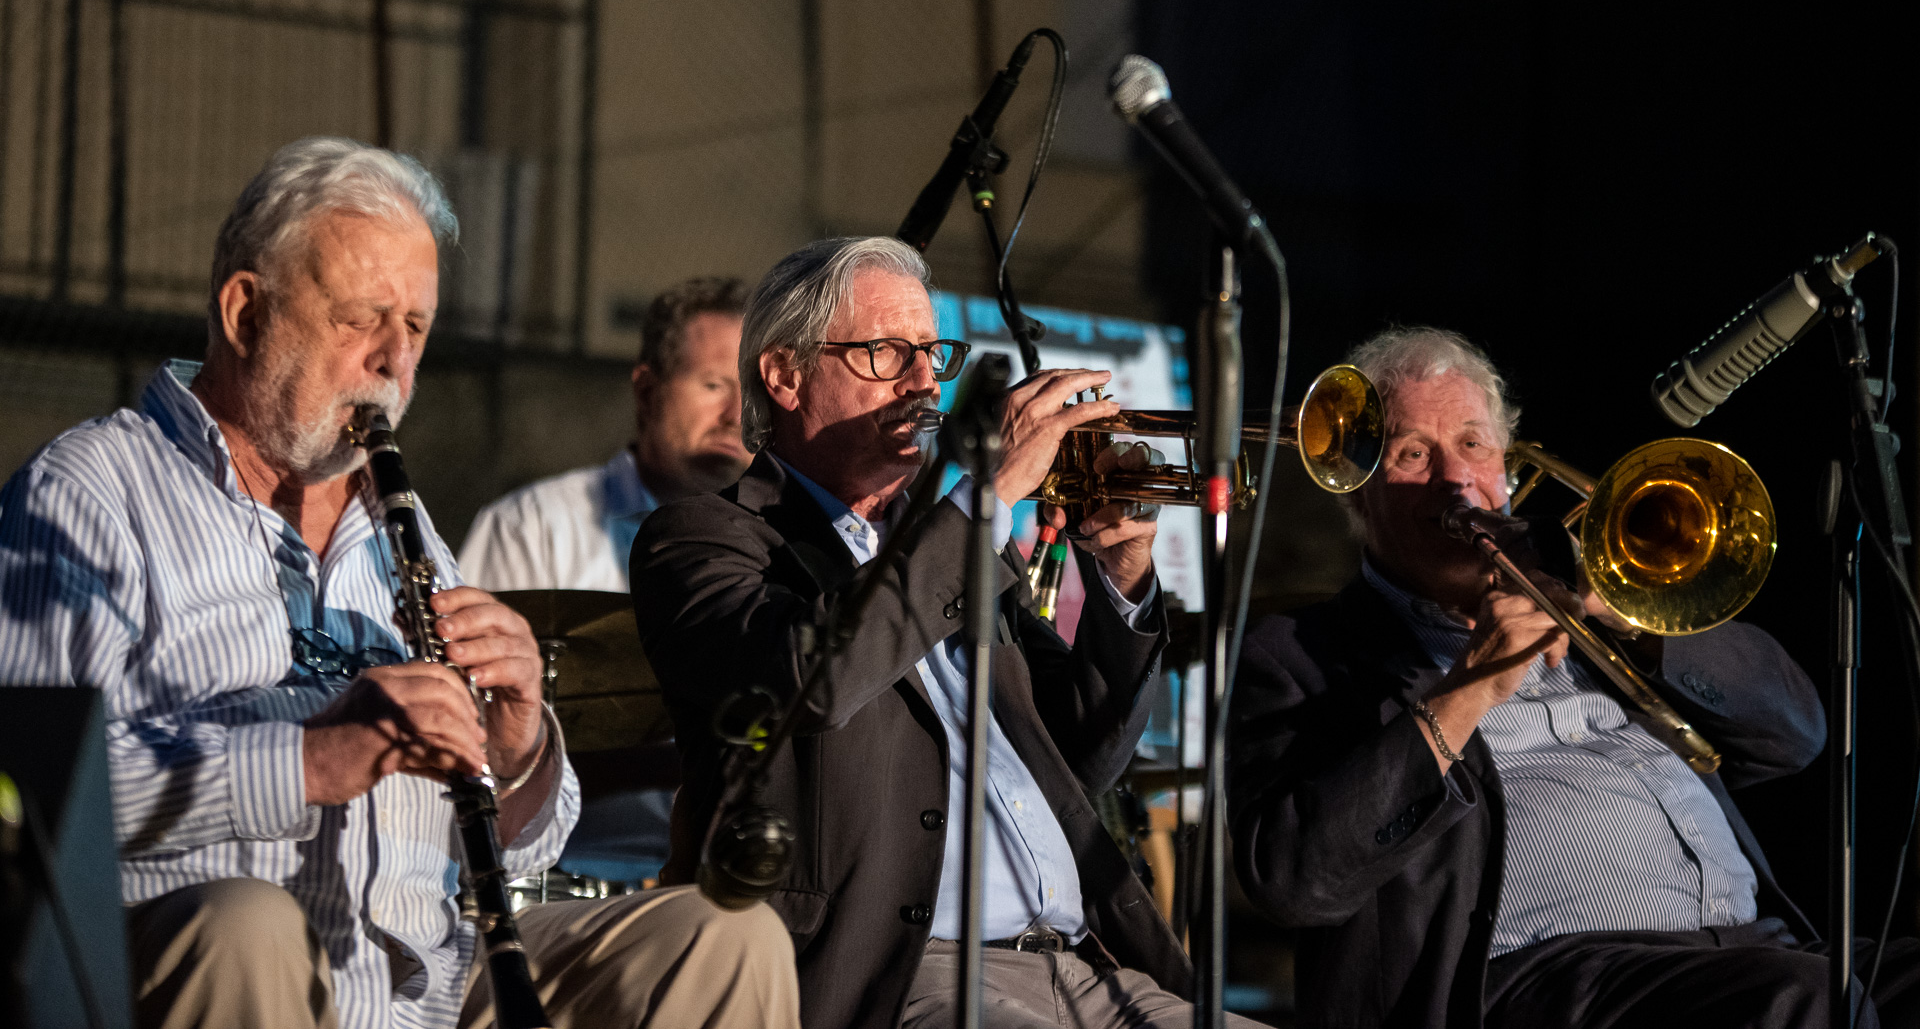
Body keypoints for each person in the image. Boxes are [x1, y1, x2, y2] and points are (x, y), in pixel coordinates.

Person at [0, 138, 797, 1029]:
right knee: (248, 925)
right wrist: (308, 760)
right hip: (199, 963)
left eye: (414, 327)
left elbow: (527, 838)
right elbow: (29, 795)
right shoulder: (91, 493)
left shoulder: (398, 525)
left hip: (431, 983)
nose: (393, 360)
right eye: (359, 319)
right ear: (245, 311)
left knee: (722, 937)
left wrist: (521, 745)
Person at [632, 235, 1262, 1029]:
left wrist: (1123, 576)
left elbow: (1082, 756)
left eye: (933, 353)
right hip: (905, 976)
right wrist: (987, 502)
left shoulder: (950, 542)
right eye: (888, 352)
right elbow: (810, 681)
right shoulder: (704, 537)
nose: (925, 381)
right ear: (786, 375)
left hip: (1091, 961)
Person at [1227, 324, 1919, 1029]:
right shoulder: (1296, 653)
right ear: (1356, 495)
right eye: (1412, 453)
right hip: (1543, 981)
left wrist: (1619, 608)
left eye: (1473, 443)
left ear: (1506, 469)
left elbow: (1796, 733)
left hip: (1752, 951)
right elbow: (1295, 880)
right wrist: (1470, 685)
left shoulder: (1599, 615)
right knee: (1802, 1000)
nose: (1456, 477)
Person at [459, 276, 751, 593]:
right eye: (714, 386)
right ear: (647, 391)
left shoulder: (793, 546)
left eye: (756, 395)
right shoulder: (531, 529)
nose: (736, 416)